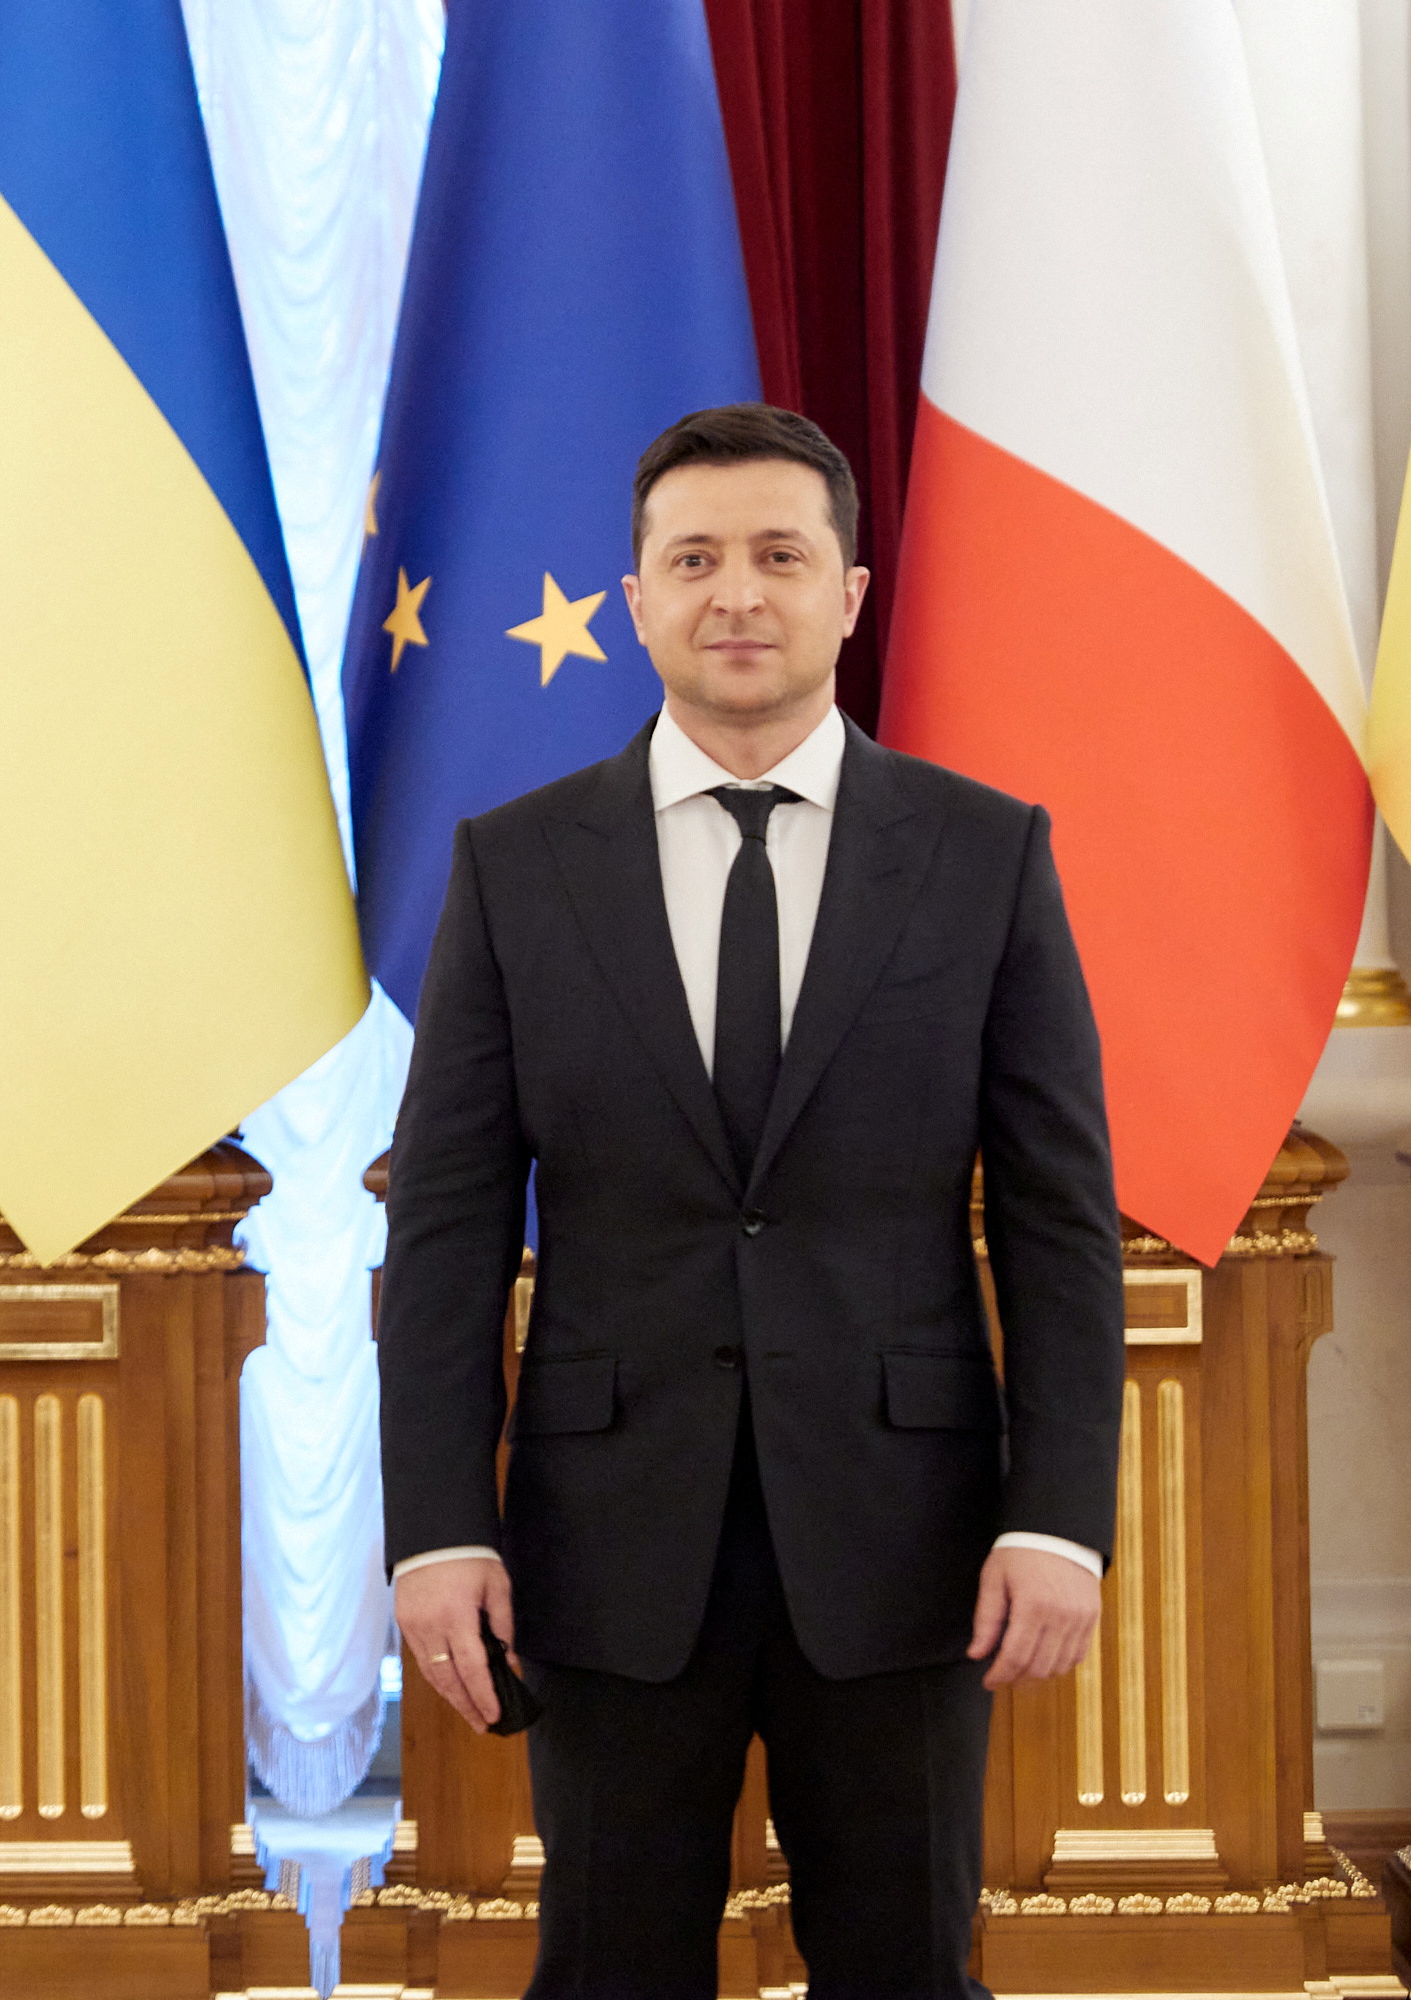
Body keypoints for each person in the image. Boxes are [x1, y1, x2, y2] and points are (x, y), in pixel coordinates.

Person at [379, 403, 1123, 1997]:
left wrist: (1057, 1516)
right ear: (636, 598)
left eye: (781, 557)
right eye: (695, 559)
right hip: (609, 1540)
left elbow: (1059, 1220)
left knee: (907, 1970)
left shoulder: (985, 856)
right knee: (609, 1971)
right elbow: (445, 1229)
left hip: (908, 1541)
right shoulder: (516, 867)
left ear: (848, 595)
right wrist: (438, 1527)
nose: (737, 594)